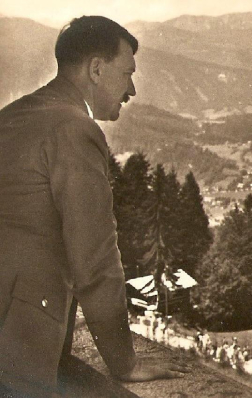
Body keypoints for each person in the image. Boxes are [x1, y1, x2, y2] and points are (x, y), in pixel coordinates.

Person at [0, 16, 188, 398]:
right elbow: (96, 262)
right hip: (19, 350)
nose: (131, 89)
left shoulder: (14, 115)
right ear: (97, 70)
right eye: (127, 73)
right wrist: (125, 364)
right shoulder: (74, 129)